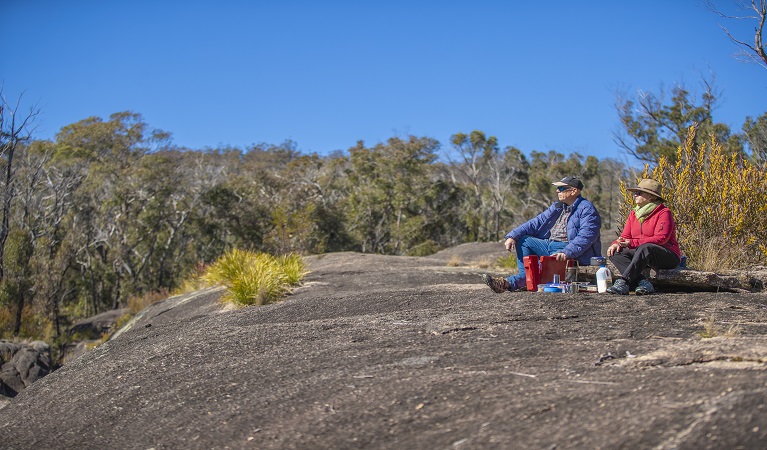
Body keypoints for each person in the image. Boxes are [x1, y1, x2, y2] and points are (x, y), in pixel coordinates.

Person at [483, 176, 602, 293]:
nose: (557, 191)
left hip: (567, 249)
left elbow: (587, 236)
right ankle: (526, 279)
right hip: (548, 244)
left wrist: (567, 252)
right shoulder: (557, 207)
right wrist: (512, 236)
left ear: (574, 191)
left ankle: (508, 283)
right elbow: (535, 222)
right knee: (523, 240)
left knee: (541, 267)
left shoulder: (587, 209)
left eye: (561, 188)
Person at [606, 178, 680, 295]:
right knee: (615, 252)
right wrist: (616, 243)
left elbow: (661, 238)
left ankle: (624, 282)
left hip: (667, 255)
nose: (635, 195)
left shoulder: (664, 212)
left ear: (652, 197)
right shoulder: (633, 214)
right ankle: (643, 283)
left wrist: (632, 243)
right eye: (635, 192)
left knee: (646, 248)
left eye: (639, 193)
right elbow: (625, 236)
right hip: (642, 253)